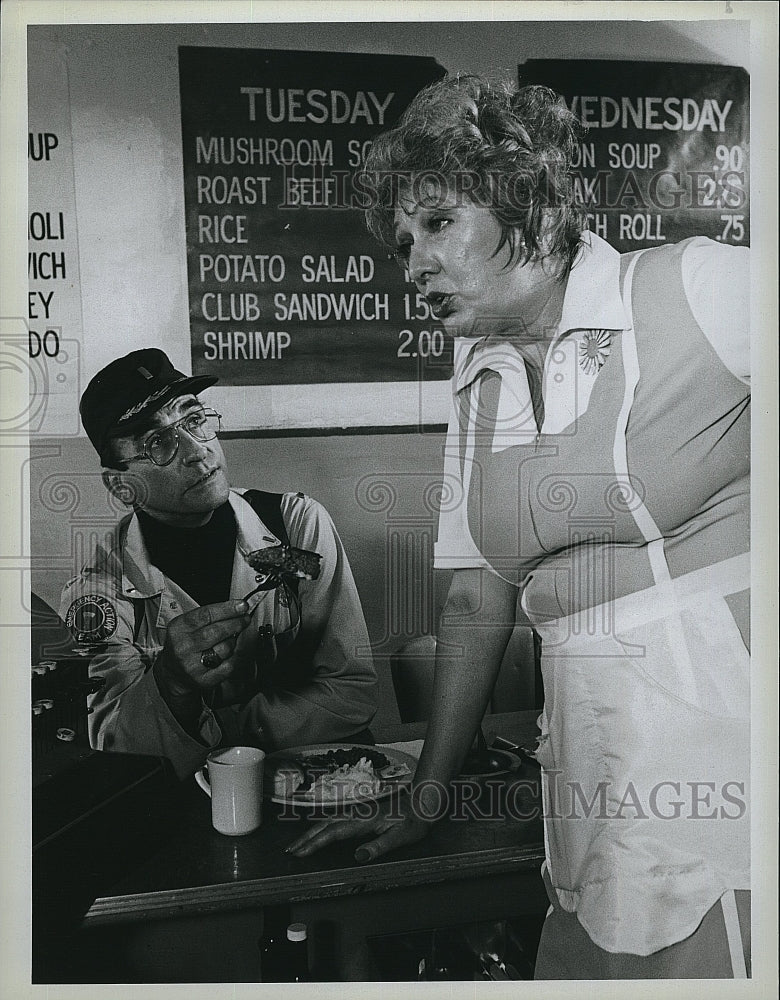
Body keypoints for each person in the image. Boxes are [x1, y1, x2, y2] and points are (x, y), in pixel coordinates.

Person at [289, 75, 751, 979]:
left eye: (436, 223)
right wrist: (427, 793)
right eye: (400, 239)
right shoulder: (482, 380)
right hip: (588, 778)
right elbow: (476, 602)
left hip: (735, 763)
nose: (411, 261)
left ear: (527, 204)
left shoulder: (694, 289)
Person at [60, 348, 376, 779]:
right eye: (158, 442)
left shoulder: (295, 525)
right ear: (122, 485)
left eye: (193, 421)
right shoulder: (98, 591)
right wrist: (172, 683)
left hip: (315, 780)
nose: (196, 451)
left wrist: (212, 734)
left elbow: (351, 693)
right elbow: (113, 744)